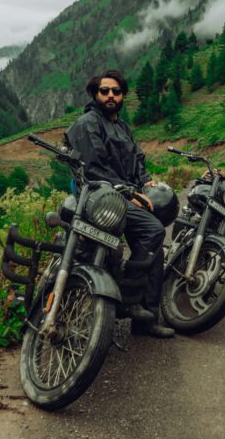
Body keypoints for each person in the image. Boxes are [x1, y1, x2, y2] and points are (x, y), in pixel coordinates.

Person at [64, 70, 174, 338]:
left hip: (122, 196)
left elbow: (137, 161)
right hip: (99, 197)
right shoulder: (87, 123)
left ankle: (145, 321)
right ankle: (128, 296)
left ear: (123, 95)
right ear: (95, 93)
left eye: (116, 91)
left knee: (153, 249)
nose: (110, 95)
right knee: (153, 230)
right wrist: (128, 191)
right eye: (105, 91)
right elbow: (93, 168)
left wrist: (146, 182)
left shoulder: (122, 127)